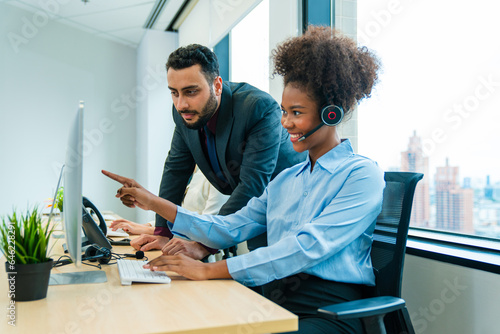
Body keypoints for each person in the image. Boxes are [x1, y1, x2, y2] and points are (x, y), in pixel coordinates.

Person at [103, 26, 383, 333]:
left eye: (297, 113)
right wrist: (155, 202)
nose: (285, 123)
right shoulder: (286, 180)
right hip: (272, 299)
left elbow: (305, 248)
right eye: (284, 111)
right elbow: (232, 226)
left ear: (331, 115)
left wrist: (210, 271)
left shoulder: (362, 175)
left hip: (330, 311)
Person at [113, 43, 306, 259]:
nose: (181, 104)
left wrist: (207, 243)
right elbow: (176, 170)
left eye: (191, 92)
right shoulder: (184, 112)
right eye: (174, 93)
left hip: (291, 213)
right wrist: (162, 232)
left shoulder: (257, 108)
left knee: (274, 283)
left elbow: (252, 184)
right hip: (252, 218)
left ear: (217, 85)